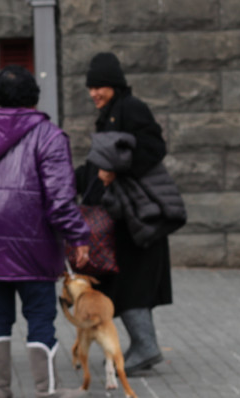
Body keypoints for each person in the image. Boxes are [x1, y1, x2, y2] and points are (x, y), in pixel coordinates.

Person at [0, 65, 90, 398]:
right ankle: (47, 390)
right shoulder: (49, 136)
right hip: (36, 250)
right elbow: (60, 199)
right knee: (40, 317)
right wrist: (79, 236)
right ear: (34, 98)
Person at [75, 51, 172, 375]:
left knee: (132, 283)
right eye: (91, 88)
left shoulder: (131, 108)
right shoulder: (111, 113)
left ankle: (145, 347)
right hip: (124, 218)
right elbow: (98, 165)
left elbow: (154, 148)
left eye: (99, 87)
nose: (94, 94)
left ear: (114, 85)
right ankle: (143, 345)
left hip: (137, 219)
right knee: (129, 282)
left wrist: (118, 169)